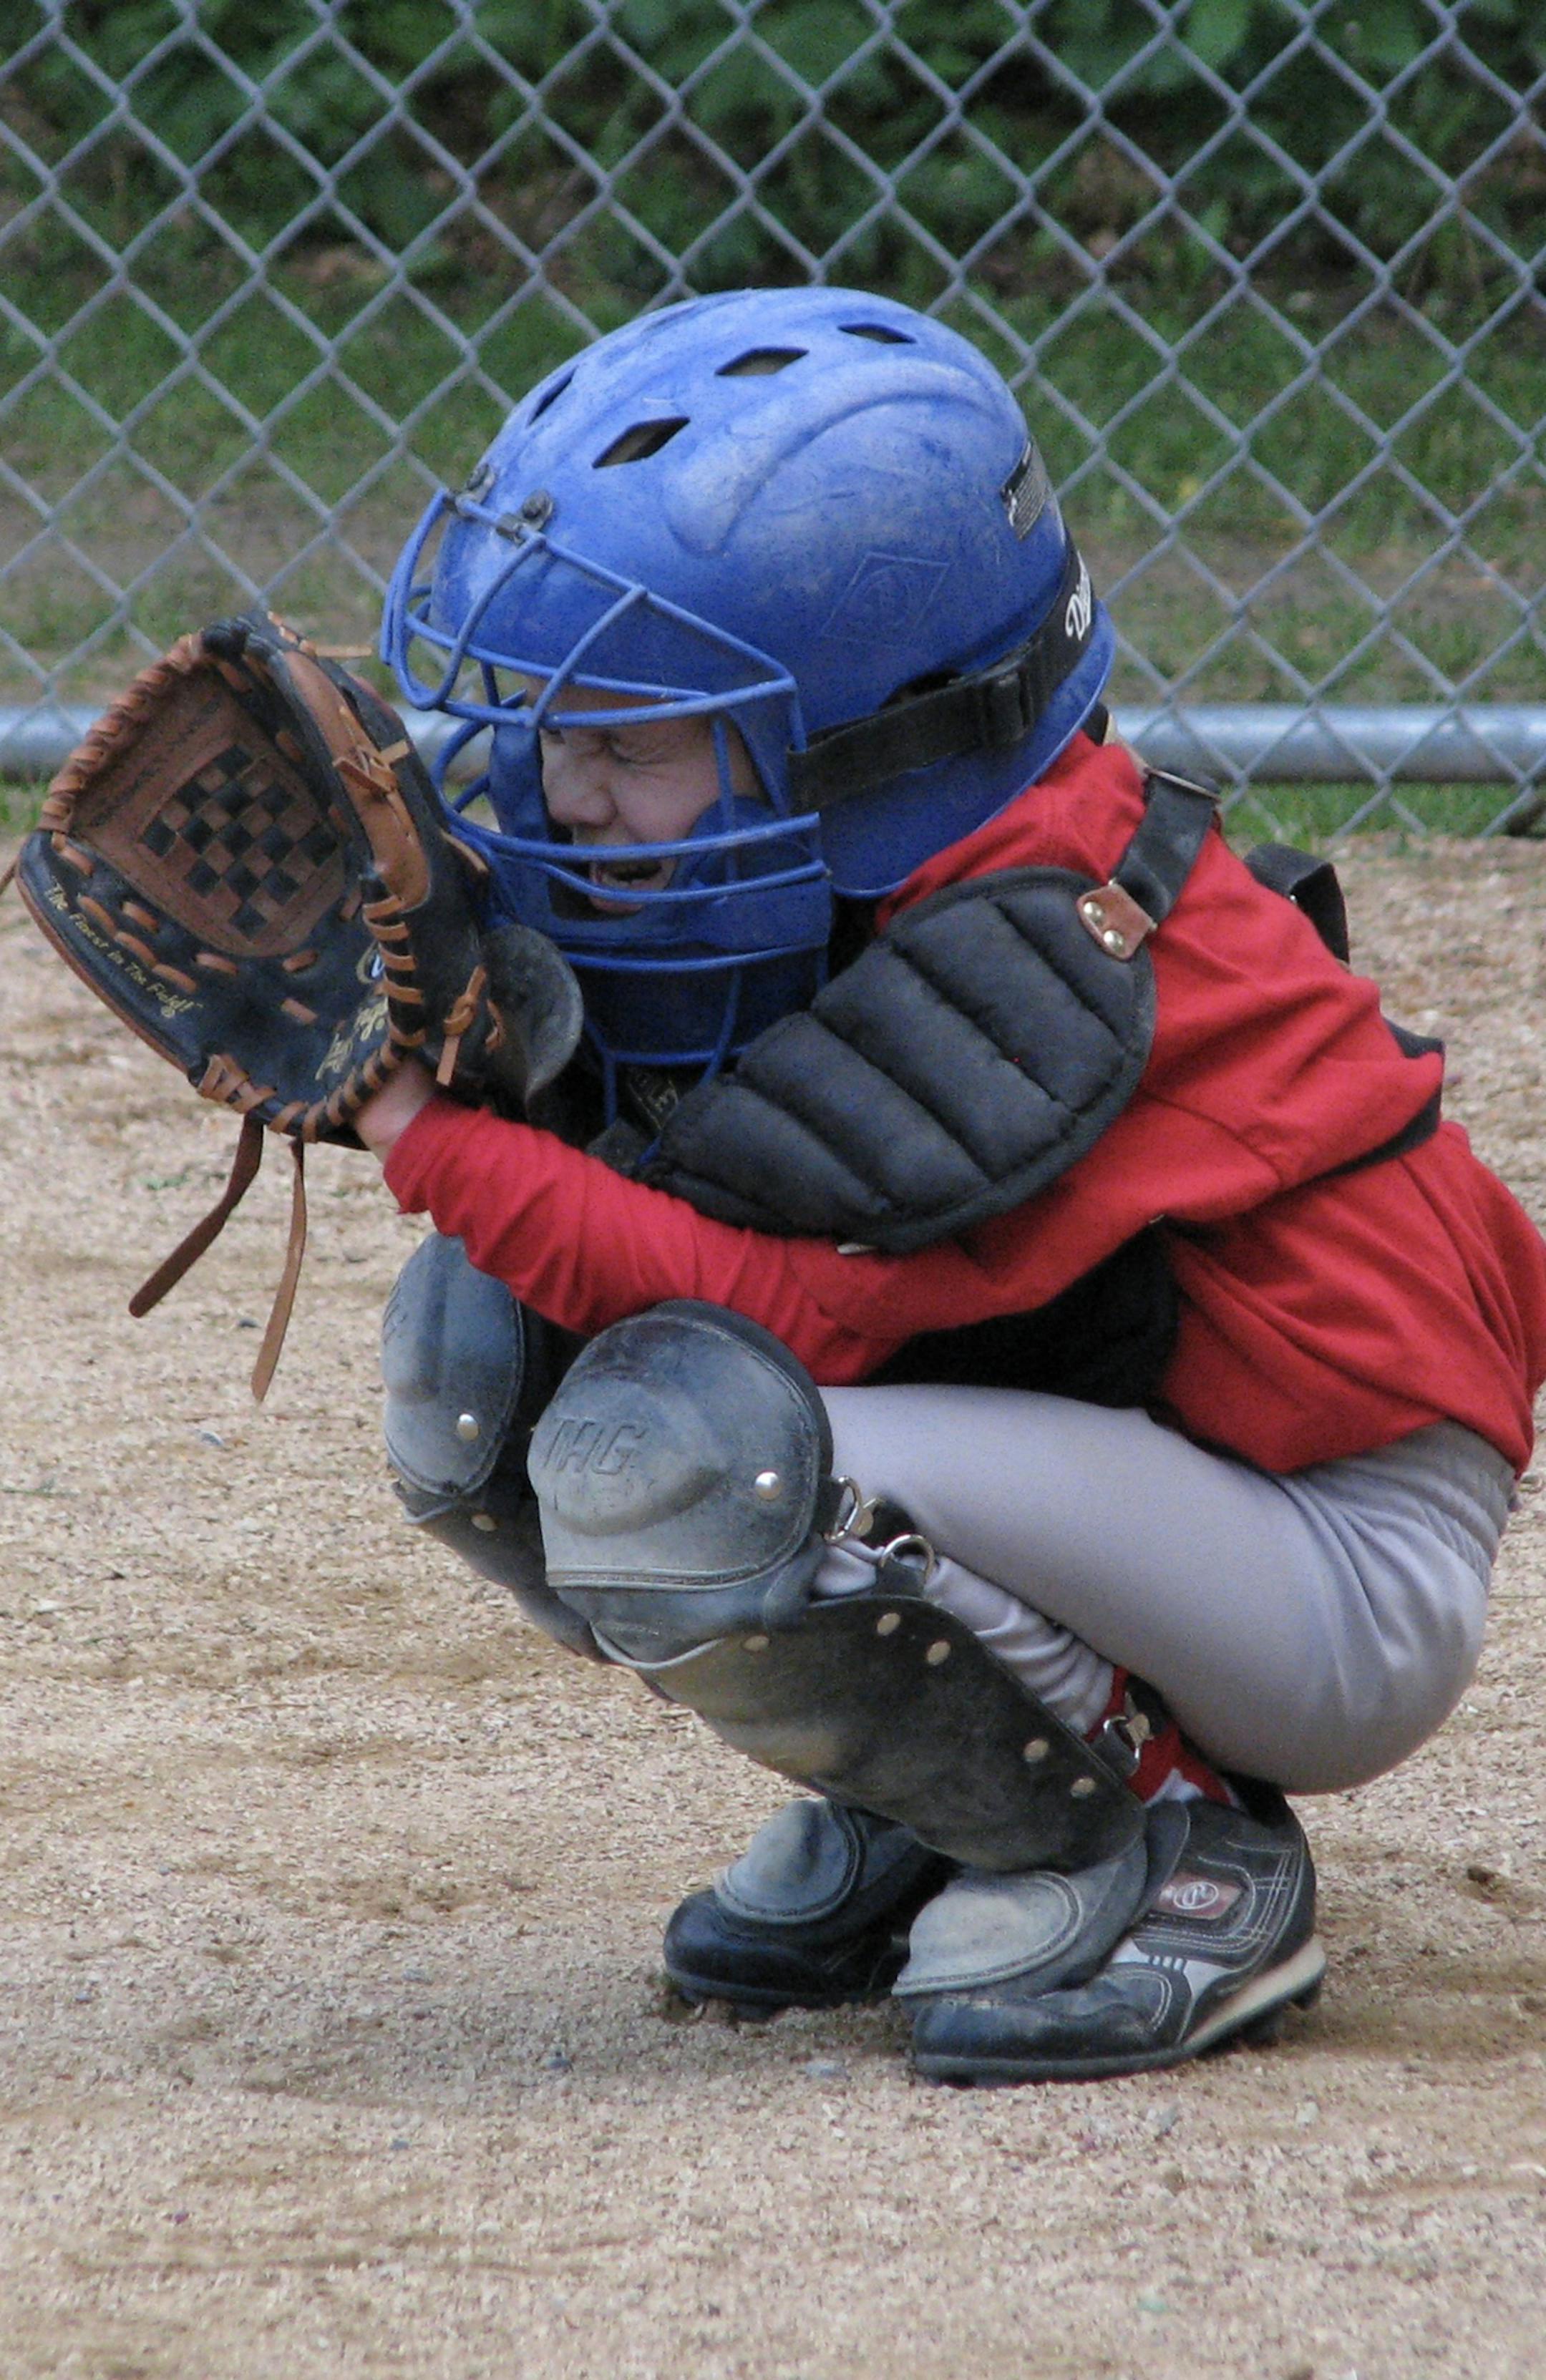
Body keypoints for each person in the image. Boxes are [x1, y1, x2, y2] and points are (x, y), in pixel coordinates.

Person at [352, 286, 1546, 2086]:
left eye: (628, 739)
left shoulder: (1038, 947)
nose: (562, 790)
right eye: (554, 729)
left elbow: (777, 1310)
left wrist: (418, 1131)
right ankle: (947, 1786)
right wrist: (437, 1012)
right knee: (488, 1350)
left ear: (865, 724)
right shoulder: (887, 855)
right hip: (1175, 1465)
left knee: (706, 1444)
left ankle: (1172, 1847)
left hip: (1340, 1565)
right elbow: (674, 1151)